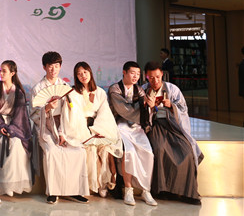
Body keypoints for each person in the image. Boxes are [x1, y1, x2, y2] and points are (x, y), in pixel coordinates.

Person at [30, 51, 89, 205]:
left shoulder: (64, 87)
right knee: (52, 152)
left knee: (78, 152)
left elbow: (69, 112)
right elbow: (33, 114)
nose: (53, 69)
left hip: (64, 127)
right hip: (45, 127)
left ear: (60, 67)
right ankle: (53, 192)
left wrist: (62, 133)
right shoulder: (37, 88)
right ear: (44, 67)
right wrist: (46, 108)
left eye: (56, 66)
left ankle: (75, 191)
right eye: (50, 66)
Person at [143, 61, 203, 204]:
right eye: (151, 78)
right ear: (146, 77)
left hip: (173, 125)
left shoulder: (172, 89)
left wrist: (171, 106)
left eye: (158, 77)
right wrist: (149, 108)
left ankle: (188, 192)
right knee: (159, 149)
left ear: (162, 75)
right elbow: (139, 113)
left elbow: (183, 109)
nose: (155, 81)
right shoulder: (143, 90)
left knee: (186, 151)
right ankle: (163, 190)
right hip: (155, 126)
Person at [68, 62, 122, 198]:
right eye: (79, 74)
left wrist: (98, 129)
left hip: (98, 126)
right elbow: (75, 113)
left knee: (105, 148)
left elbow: (104, 112)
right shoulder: (73, 93)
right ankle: (90, 185)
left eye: (85, 72)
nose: (83, 76)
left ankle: (103, 183)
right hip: (80, 126)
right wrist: (87, 130)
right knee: (90, 148)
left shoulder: (100, 92)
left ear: (90, 73)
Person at [108, 61, 157, 206]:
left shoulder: (139, 90)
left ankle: (146, 190)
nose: (135, 76)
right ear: (124, 72)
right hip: (120, 125)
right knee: (129, 152)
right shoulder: (115, 89)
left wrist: (150, 106)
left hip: (136, 126)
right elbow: (124, 110)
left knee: (148, 153)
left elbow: (144, 111)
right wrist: (142, 106)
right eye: (132, 73)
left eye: (138, 74)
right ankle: (128, 189)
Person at [0, 60, 33, 198]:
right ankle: (0, 184)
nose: (1, 73)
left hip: (15, 125)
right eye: (0, 71)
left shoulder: (19, 92)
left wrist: (12, 129)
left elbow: (21, 115)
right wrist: (0, 126)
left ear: (12, 73)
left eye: (4, 71)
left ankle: (12, 184)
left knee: (16, 145)